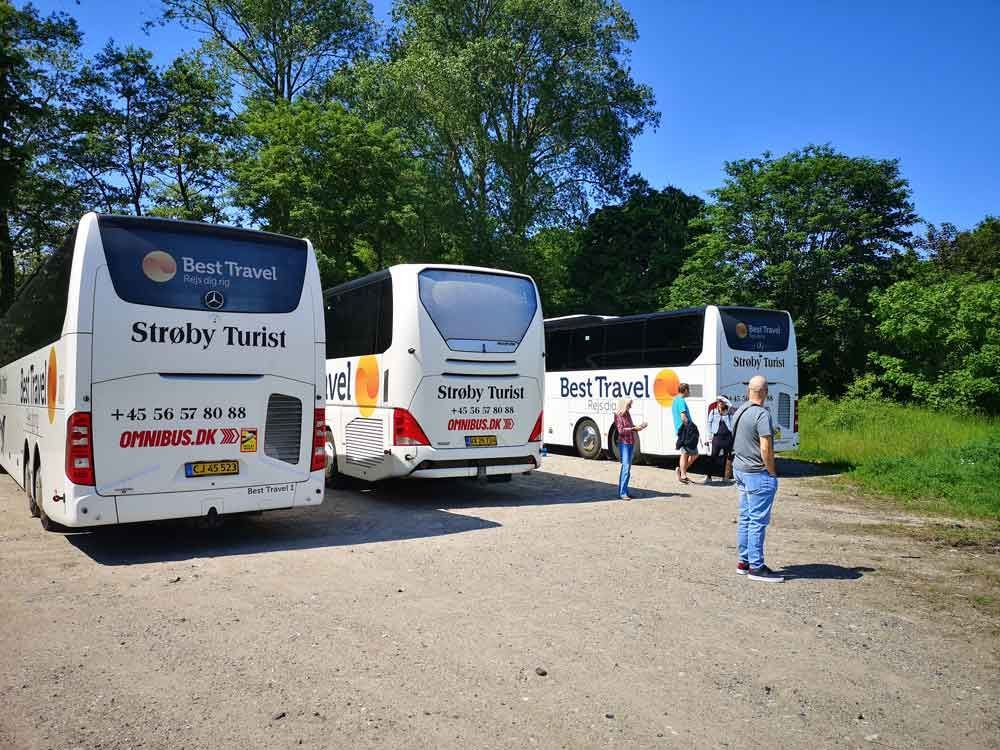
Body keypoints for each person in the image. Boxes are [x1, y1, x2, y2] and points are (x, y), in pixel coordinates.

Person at [732, 375, 782, 582]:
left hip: (740, 470)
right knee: (757, 521)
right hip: (756, 473)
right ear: (765, 392)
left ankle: (743, 562)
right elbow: (765, 448)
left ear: (749, 391)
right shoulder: (762, 415)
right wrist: (771, 471)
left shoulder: (739, 411)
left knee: (745, 518)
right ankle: (756, 567)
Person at [613, 399, 647, 500]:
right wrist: (633, 429)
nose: (630, 407)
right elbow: (620, 430)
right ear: (624, 405)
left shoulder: (627, 414)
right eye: (629, 405)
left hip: (631, 442)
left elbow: (629, 426)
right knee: (626, 468)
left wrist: (638, 427)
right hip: (624, 443)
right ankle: (622, 493)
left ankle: (624, 491)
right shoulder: (618, 415)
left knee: (627, 468)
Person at [705, 397, 735, 483]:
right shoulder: (713, 411)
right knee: (713, 457)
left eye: (722, 402)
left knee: (726, 458)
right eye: (719, 402)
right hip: (717, 437)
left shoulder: (729, 412)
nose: (720, 403)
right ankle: (709, 477)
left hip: (727, 437)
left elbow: (733, 422)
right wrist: (709, 435)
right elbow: (708, 423)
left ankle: (724, 477)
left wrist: (727, 404)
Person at [672, 383, 697, 483]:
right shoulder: (681, 401)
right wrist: (690, 428)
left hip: (681, 430)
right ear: (685, 390)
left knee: (688, 453)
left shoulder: (675, 400)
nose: (689, 392)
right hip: (684, 430)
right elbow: (683, 417)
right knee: (687, 453)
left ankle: (682, 472)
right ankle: (683, 474)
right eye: (688, 390)